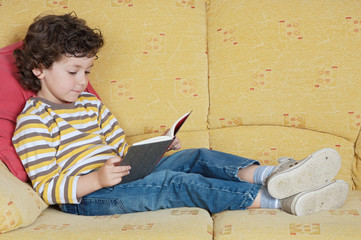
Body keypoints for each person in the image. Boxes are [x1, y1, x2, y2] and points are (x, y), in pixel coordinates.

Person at [12, 12, 349, 217]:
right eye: (73, 72)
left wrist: (155, 149)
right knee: (176, 183)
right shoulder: (34, 122)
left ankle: (273, 176)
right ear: (40, 68)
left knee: (195, 156)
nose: (84, 82)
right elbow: (47, 187)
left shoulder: (91, 104)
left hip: (123, 176)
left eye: (87, 71)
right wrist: (97, 180)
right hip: (91, 196)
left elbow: (119, 148)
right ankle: (279, 202)